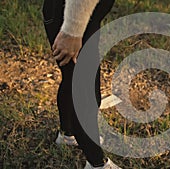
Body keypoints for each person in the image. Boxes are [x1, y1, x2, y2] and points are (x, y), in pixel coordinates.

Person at [42, 0, 121, 168]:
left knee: (74, 80)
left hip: (85, 17)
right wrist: (72, 30)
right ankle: (97, 164)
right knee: (85, 91)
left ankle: (67, 134)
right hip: (70, 15)